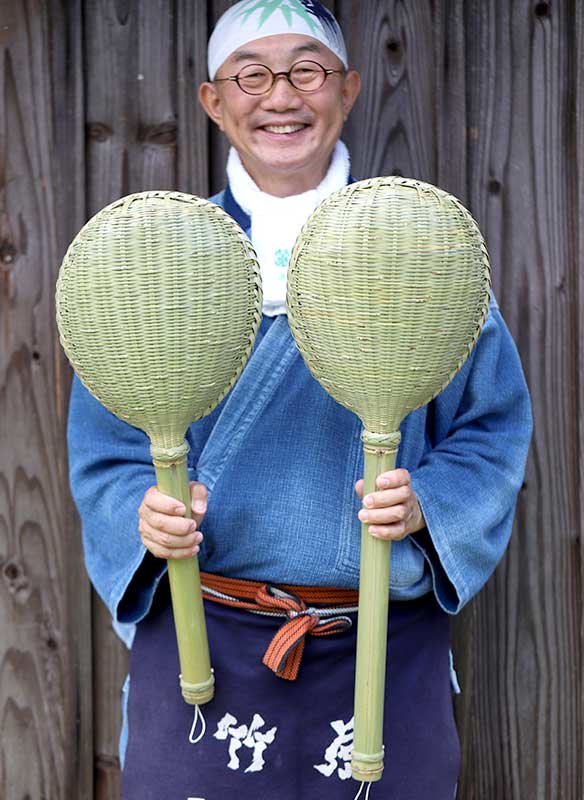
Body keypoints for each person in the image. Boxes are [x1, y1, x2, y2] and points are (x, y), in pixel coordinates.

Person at [67, 2, 532, 798]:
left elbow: (491, 430)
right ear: (215, 101)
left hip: (380, 643)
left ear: (347, 90)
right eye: (251, 74)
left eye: (306, 70)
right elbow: (108, 449)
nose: (280, 96)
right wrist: (141, 515)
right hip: (203, 644)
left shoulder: (427, 260)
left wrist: (429, 505)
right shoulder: (149, 268)